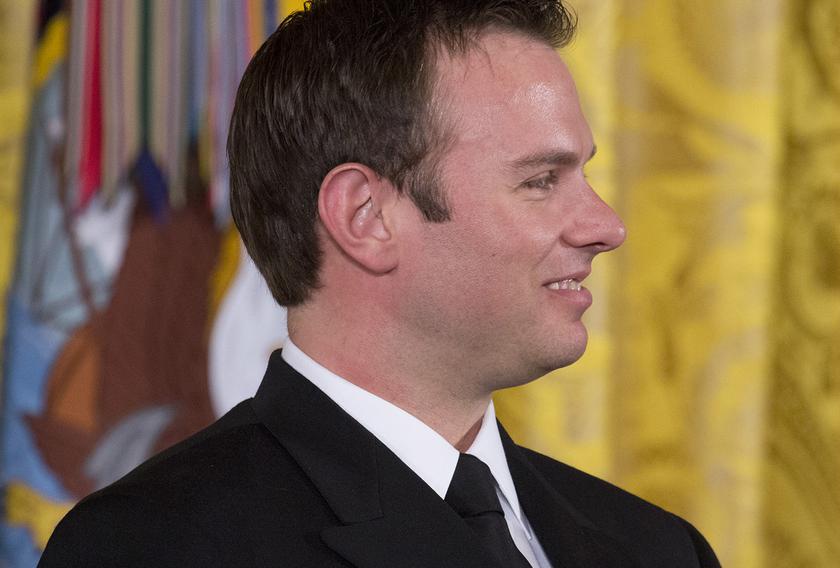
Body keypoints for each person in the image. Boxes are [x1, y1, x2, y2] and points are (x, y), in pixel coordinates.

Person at [40, 1, 721, 566]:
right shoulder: (150, 548)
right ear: (365, 218)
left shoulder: (658, 549)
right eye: (541, 181)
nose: (606, 225)